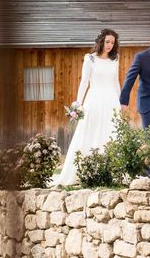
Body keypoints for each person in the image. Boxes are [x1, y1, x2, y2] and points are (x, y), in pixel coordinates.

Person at [51, 28, 121, 187]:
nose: (110, 45)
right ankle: (84, 170)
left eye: (112, 42)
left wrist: (120, 101)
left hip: (111, 100)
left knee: (111, 132)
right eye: (107, 41)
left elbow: (116, 81)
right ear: (101, 41)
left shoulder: (115, 60)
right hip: (94, 99)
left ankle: (111, 172)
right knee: (89, 131)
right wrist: (78, 103)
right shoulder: (90, 59)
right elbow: (84, 82)